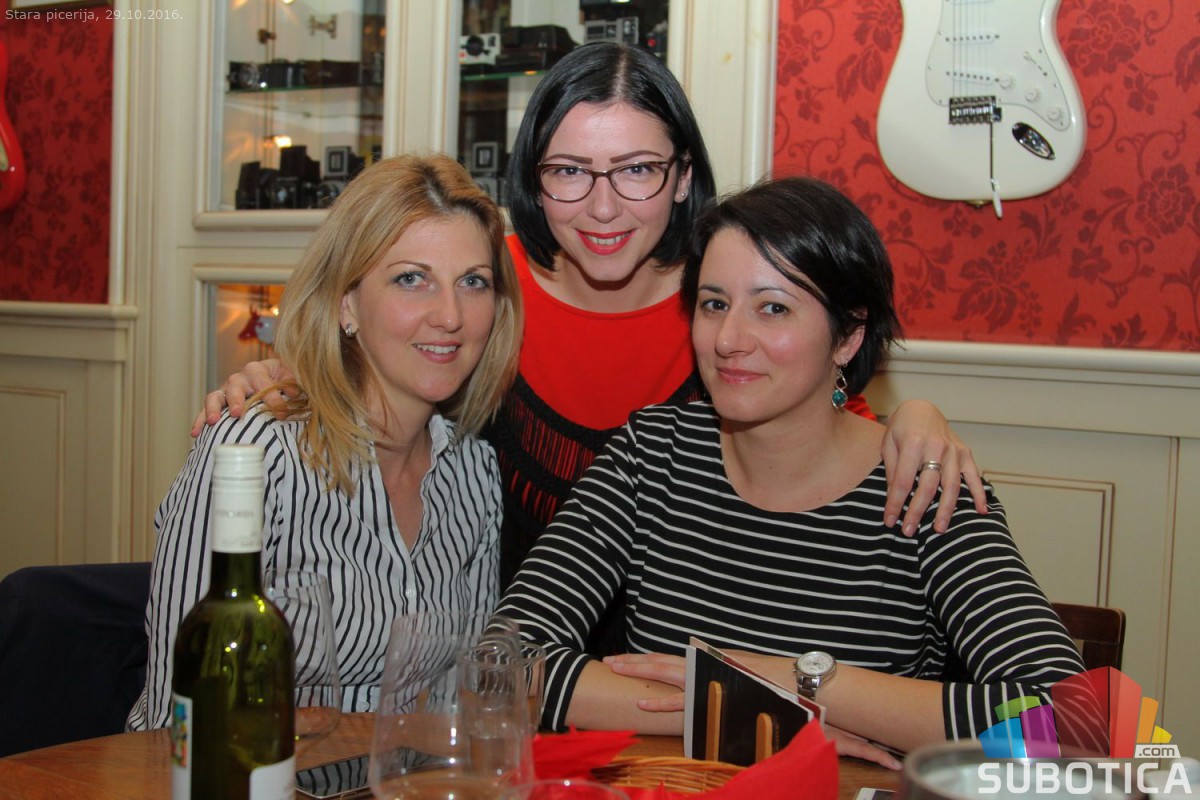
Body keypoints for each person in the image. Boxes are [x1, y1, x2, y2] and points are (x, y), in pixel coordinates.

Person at [195, 43, 984, 592]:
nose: (603, 208)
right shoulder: (482, 289)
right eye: (569, 171)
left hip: (676, 697)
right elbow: (371, 330)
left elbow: (829, 425)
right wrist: (284, 372)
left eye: (638, 170)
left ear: (683, 178)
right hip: (506, 673)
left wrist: (918, 414)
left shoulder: (724, 308)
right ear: (533, 184)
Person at [493, 177, 1084, 763]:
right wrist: (750, 715)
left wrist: (805, 682)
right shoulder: (653, 454)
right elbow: (505, 660)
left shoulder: (923, 485)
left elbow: (1071, 722)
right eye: (714, 304)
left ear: (848, 336)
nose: (729, 339)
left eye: (773, 308)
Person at [127, 154, 523, 731]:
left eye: (473, 282)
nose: (450, 315)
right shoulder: (255, 453)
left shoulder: (474, 471)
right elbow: (178, 718)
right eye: (411, 279)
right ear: (346, 303)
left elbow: (464, 699)